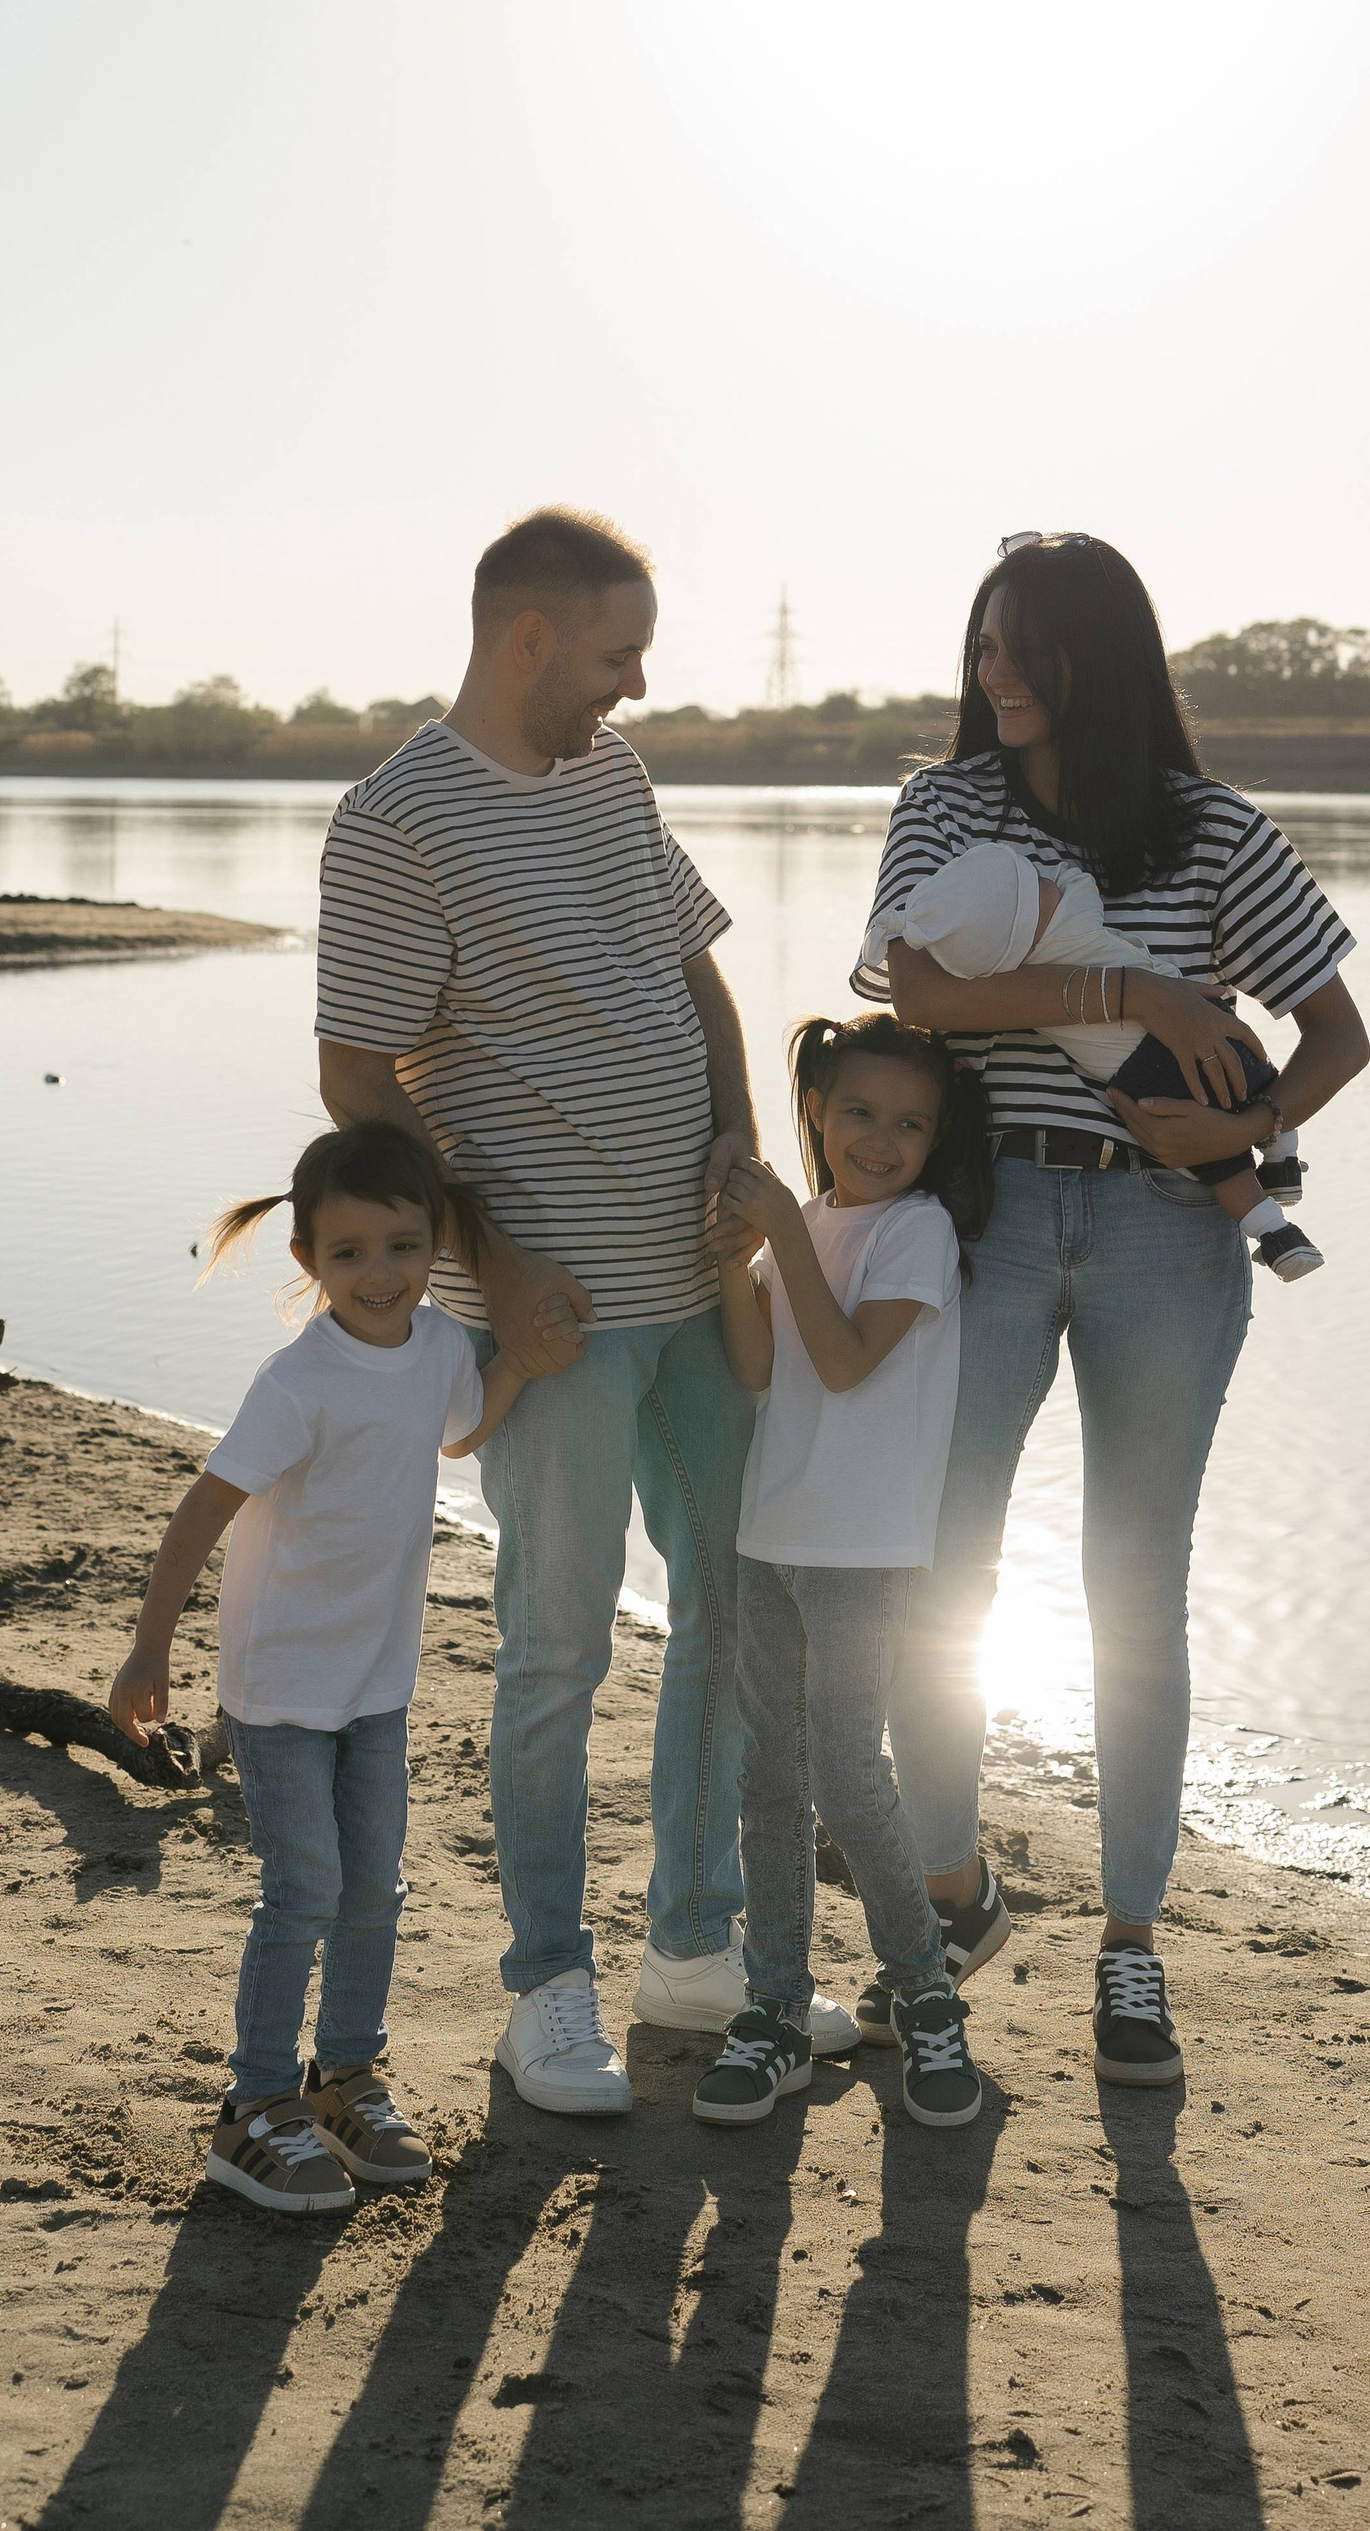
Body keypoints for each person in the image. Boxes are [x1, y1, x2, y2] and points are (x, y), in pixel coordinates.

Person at [313, 507, 852, 2121]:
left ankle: (692, 1951)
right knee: (554, 1653)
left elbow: (693, 974)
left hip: (697, 1288)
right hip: (553, 1316)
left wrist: (746, 1150)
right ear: (528, 637)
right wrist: (480, 1270)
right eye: (618, 654)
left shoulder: (613, 780)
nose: (634, 686)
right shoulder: (394, 821)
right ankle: (543, 1987)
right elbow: (359, 1076)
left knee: (735, 1614)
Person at [858, 533, 1370, 2090]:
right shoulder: (945, 803)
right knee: (938, 1563)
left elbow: (1340, 1031)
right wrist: (1138, 998)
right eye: (983, 646)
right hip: (993, 1216)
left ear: (1105, 658)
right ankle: (952, 1893)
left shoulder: (1213, 831)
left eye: (1024, 647)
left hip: (1166, 1236)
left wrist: (1248, 1132)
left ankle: (1132, 1948)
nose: (994, 674)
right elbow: (917, 993)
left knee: (1133, 1589)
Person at [107, 1124, 557, 2214]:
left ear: (433, 1243)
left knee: (374, 1890)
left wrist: (521, 1365)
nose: (380, 1274)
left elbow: (457, 1431)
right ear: (307, 1258)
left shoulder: (444, 1343)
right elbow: (204, 1508)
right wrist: (151, 1642)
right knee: (301, 1889)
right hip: (280, 1689)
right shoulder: (296, 1380)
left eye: (403, 1245)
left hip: (377, 1682)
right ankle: (253, 2106)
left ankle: (345, 2076)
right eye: (350, 1252)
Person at [695, 1016, 995, 2133]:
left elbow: (846, 1357)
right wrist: (741, 1266)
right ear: (814, 1106)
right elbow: (762, 1362)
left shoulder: (916, 1232)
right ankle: (773, 2007)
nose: (882, 1137)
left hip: (863, 1547)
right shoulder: (808, 1224)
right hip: (771, 1531)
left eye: (910, 1123)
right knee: (767, 1774)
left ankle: (924, 1988)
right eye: (860, 1111)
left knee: (847, 1773)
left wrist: (778, 1226)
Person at [863, 838, 1325, 1280]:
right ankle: (1281, 1159)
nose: (1043, 881)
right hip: (1191, 1026)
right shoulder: (1074, 919)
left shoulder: (1018, 983)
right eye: (1033, 886)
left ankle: (1277, 1234)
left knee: (1221, 1165)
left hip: (1141, 1080)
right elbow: (1075, 877)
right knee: (1250, 1079)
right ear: (1030, 919)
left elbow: (949, 993)